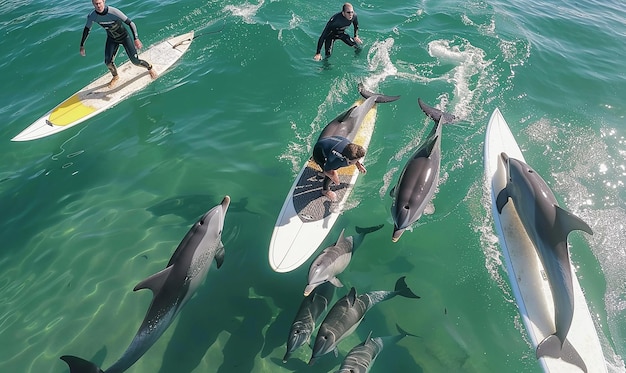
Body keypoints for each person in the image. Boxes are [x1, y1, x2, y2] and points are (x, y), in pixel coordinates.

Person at [79, 0, 157, 88]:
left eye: (100, 3)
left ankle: (149, 67)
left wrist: (136, 38)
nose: (98, 6)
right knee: (108, 62)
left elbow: (130, 23)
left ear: (104, 1)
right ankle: (115, 76)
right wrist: (82, 45)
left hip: (124, 38)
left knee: (135, 61)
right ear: (93, 4)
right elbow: (86, 30)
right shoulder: (92, 16)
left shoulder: (113, 12)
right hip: (112, 39)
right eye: (96, 4)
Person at [312, 135, 367, 201]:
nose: (358, 160)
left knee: (331, 174)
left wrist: (358, 165)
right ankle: (325, 190)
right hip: (318, 153)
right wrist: (333, 177)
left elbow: (354, 156)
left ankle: (322, 174)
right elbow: (328, 170)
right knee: (331, 175)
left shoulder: (350, 148)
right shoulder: (336, 160)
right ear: (347, 159)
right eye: (357, 160)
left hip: (328, 142)